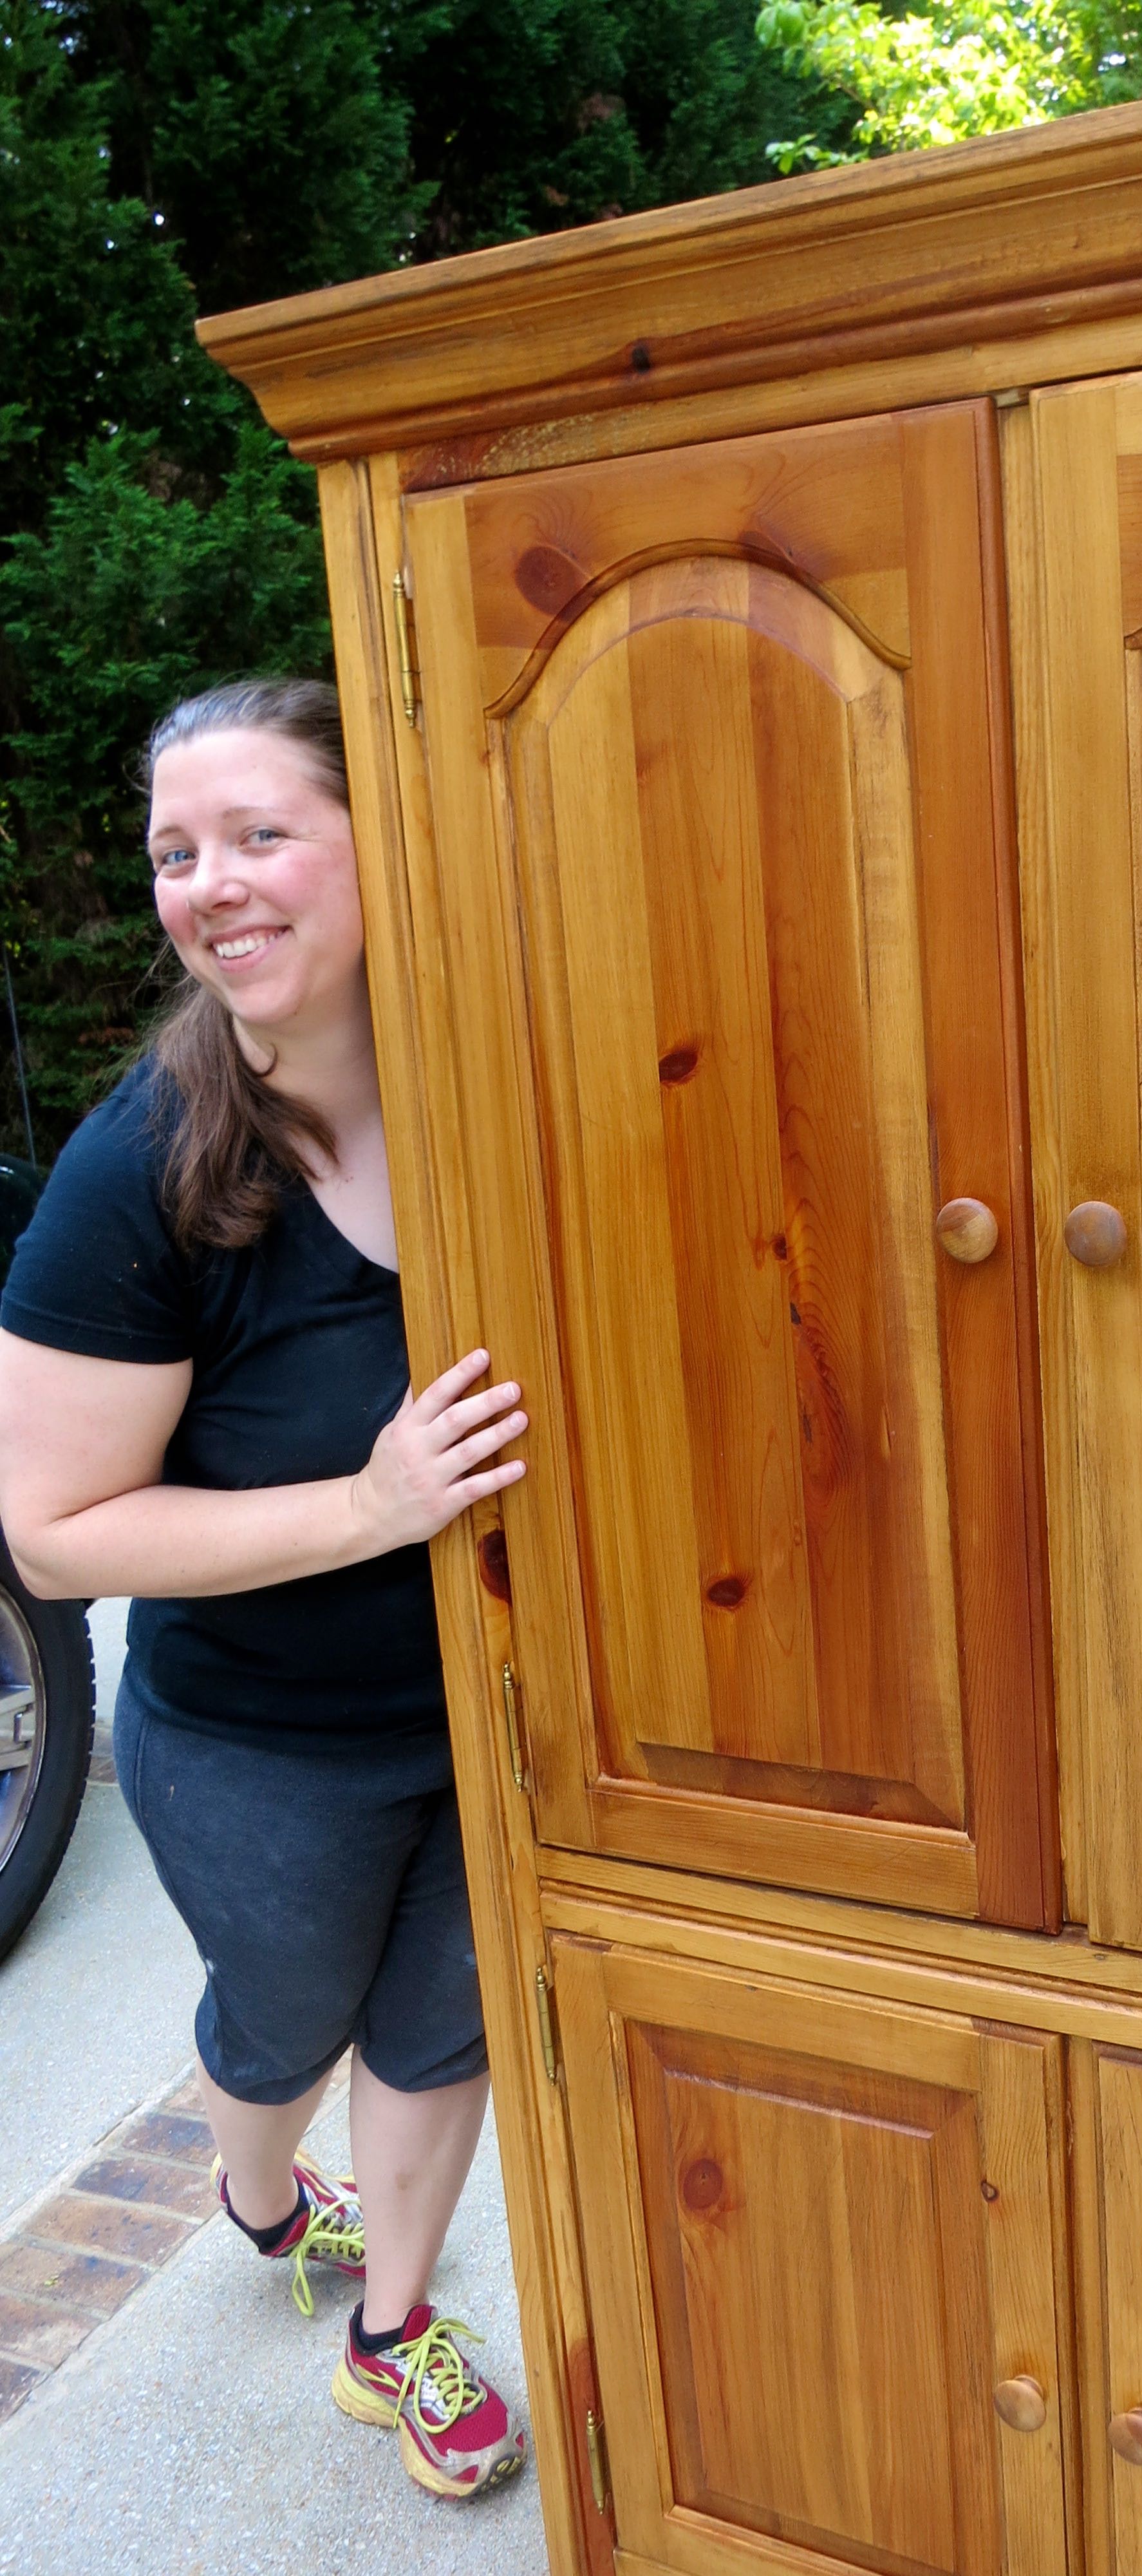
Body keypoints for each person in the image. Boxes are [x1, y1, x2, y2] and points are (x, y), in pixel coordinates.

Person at [0, 678, 530, 2502]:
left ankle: (392, 2330)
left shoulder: (492, 1083)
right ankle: (251, 2186)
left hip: (491, 1697)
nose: (209, 882)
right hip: (259, 1743)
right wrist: (374, 1502)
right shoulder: (138, 1170)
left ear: (381, 840)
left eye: (259, 834)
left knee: (443, 2019)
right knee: (286, 2023)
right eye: (173, 852)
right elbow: (59, 1531)